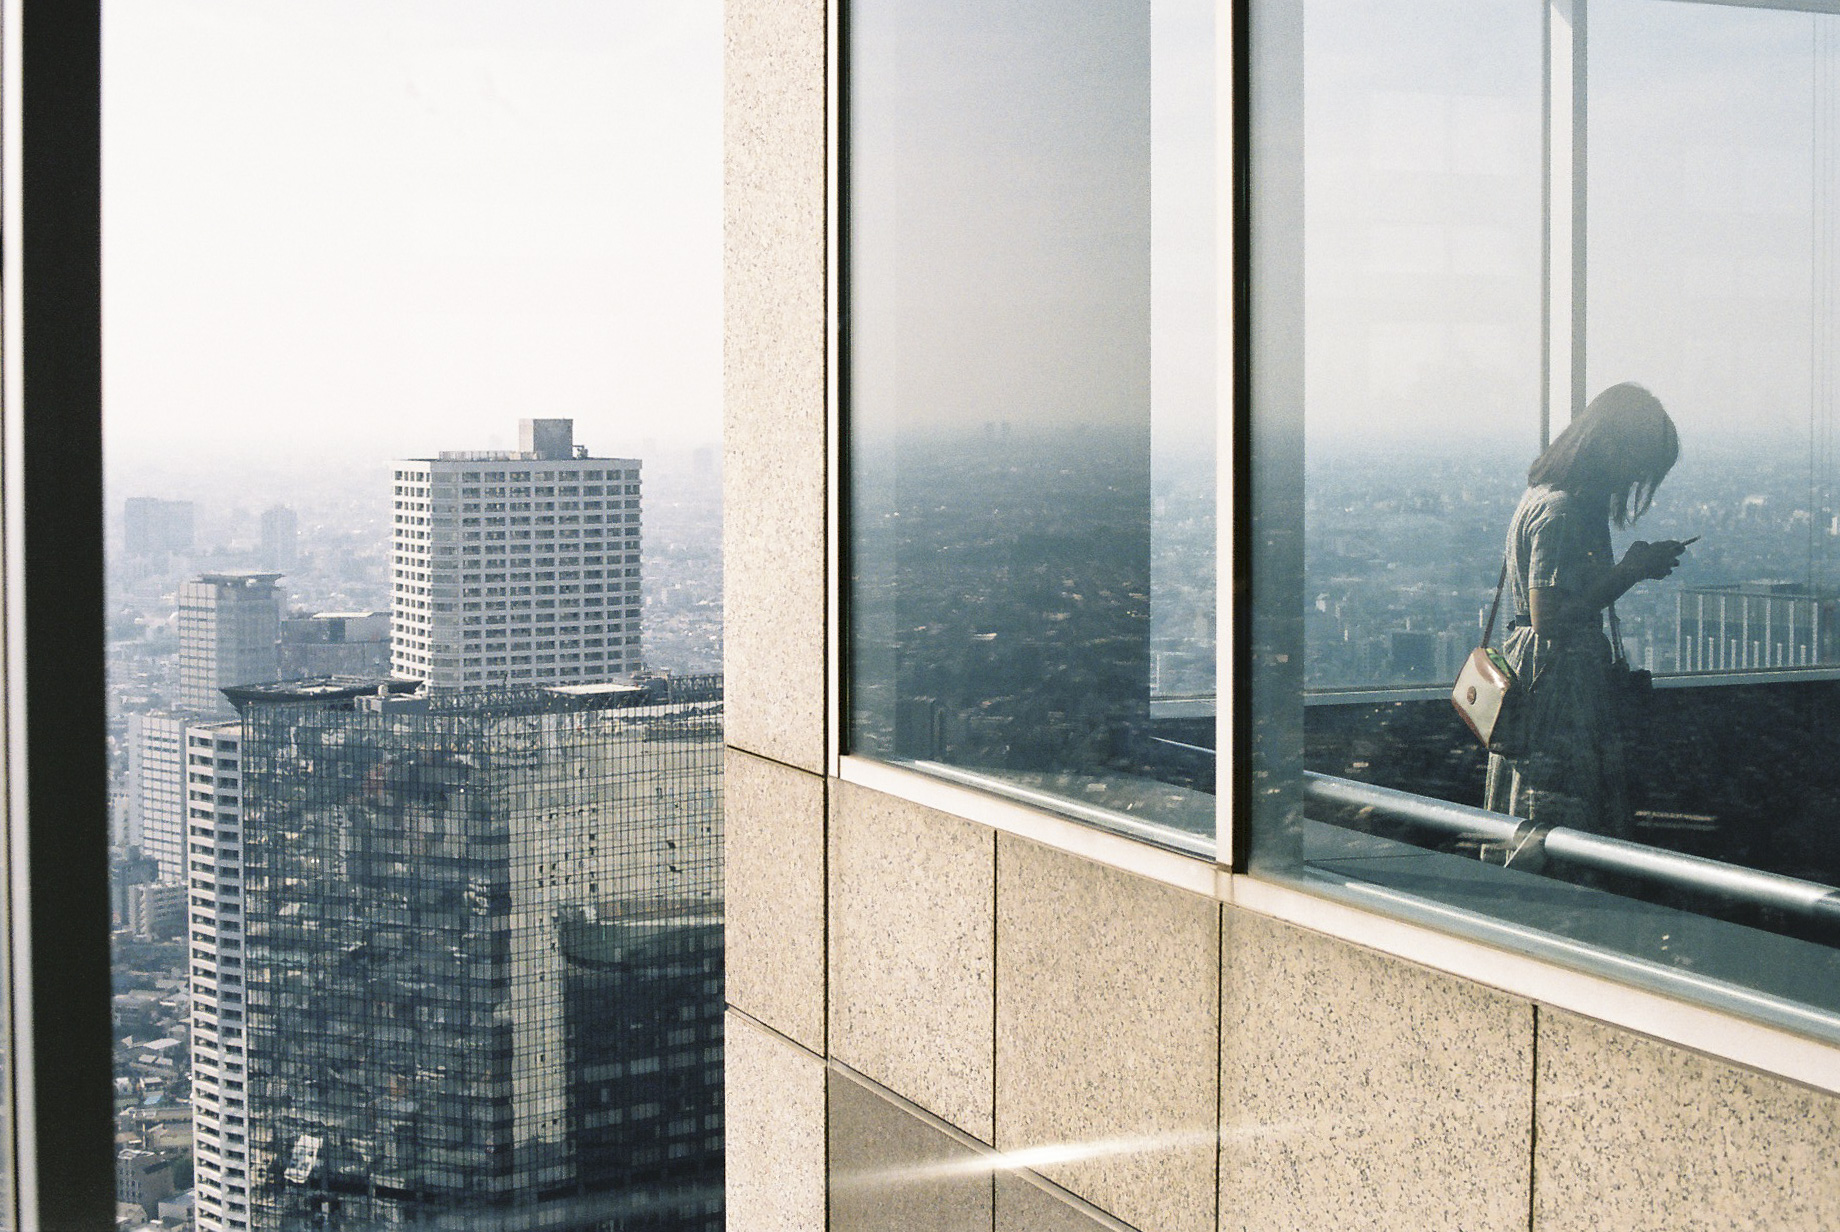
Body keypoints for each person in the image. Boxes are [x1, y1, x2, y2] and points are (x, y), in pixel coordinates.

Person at [1484, 382, 1686, 846]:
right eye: (1637, 464)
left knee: (1541, 825)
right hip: (1557, 687)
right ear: (1610, 445)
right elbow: (1548, 618)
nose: (1635, 479)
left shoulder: (1543, 493)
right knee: (1559, 824)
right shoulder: (1563, 511)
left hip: (1540, 676)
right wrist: (1632, 571)